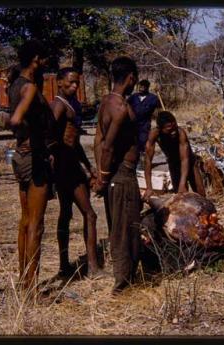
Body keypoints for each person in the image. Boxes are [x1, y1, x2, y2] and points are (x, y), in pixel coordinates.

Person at [8, 40, 58, 292]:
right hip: (34, 158)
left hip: (20, 156)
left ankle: (23, 281)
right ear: (36, 59)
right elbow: (14, 119)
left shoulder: (15, 83)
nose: (47, 63)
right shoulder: (28, 88)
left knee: (25, 222)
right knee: (36, 226)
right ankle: (31, 288)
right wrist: (28, 131)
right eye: (45, 58)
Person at [93, 56, 140, 294]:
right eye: (135, 79)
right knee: (124, 229)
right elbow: (108, 146)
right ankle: (122, 284)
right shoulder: (120, 107)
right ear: (130, 77)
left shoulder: (106, 102)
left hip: (116, 175)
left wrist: (101, 174)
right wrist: (102, 177)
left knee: (119, 226)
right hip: (122, 175)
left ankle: (126, 276)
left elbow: (97, 140)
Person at [49, 67, 101, 278]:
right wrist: (55, 163)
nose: (74, 86)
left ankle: (75, 266)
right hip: (64, 168)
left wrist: (88, 168)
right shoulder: (58, 105)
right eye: (70, 82)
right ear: (59, 82)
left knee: (74, 215)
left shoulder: (74, 105)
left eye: (77, 83)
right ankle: (85, 267)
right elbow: (50, 137)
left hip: (73, 166)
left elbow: (75, 142)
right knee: (85, 214)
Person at [143, 111, 206, 201]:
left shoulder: (181, 133)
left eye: (174, 127)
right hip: (173, 164)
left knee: (201, 195)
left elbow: (185, 159)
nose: (173, 132)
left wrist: (182, 184)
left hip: (190, 162)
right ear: (160, 128)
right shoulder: (154, 135)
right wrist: (149, 187)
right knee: (182, 197)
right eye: (169, 129)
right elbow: (148, 161)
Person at [127, 79, 161, 167]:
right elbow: (126, 105)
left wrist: (159, 122)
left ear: (147, 87)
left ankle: (142, 163)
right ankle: (133, 161)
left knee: (143, 142)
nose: (141, 88)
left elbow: (158, 111)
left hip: (145, 124)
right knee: (133, 143)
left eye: (143, 86)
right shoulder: (133, 97)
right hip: (133, 124)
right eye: (140, 86)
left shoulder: (153, 98)